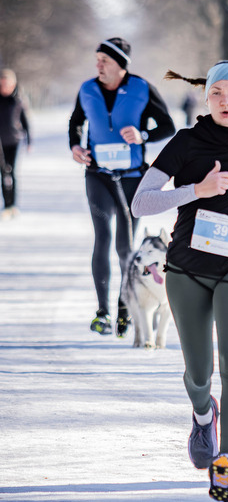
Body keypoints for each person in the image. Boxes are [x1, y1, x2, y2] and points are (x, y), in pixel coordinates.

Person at [131, 60, 228, 502]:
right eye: (216, 93)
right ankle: (204, 416)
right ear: (206, 98)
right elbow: (141, 204)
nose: (224, 100)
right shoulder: (185, 144)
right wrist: (195, 191)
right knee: (199, 374)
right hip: (187, 269)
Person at [68, 37, 175, 336]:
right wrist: (75, 145)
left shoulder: (141, 88)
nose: (98, 65)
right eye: (97, 59)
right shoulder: (87, 89)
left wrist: (142, 135)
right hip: (98, 174)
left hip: (132, 177)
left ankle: (124, 310)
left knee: (125, 245)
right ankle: (102, 312)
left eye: (104, 60)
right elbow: (76, 122)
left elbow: (167, 125)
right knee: (101, 238)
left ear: (120, 65)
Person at [0, 69, 31, 220]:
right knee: (3, 173)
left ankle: (13, 205)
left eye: (7, 84)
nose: (4, 87)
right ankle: (6, 205)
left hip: (14, 141)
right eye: (2, 84)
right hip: (0, 143)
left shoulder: (18, 100)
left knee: (12, 173)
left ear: (13, 85)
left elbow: (25, 122)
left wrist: (29, 140)